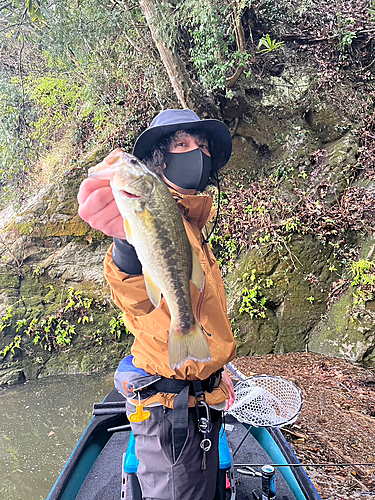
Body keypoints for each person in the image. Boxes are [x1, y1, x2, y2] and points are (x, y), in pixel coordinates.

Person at [77, 109, 237, 500]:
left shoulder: (193, 224)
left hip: (203, 398)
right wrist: (125, 244)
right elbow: (136, 300)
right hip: (172, 413)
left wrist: (219, 367)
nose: (194, 154)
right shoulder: (156, 210)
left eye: (201, 147)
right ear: (158, 162)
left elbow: (202, 312)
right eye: (181, 145)